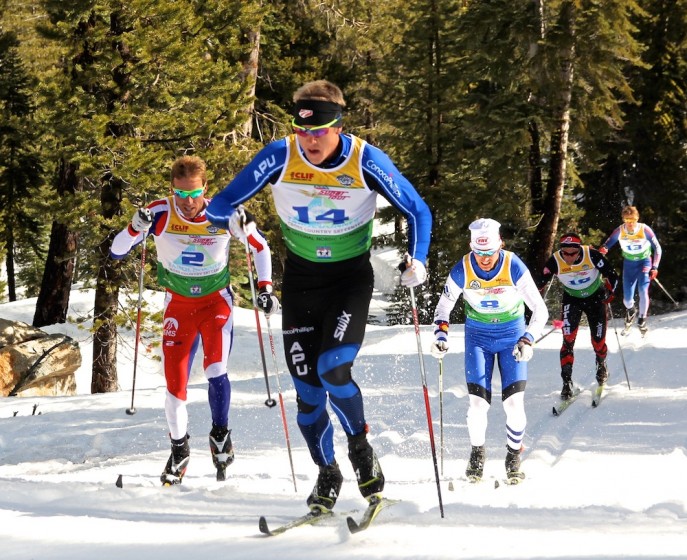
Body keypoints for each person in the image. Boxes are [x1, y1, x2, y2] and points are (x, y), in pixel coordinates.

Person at [206, 80, 432, 511]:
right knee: (307, 394)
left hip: (349, 280)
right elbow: (220, 205)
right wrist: (233, 223)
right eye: (301, 130)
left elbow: (417, 209)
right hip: (302, 283)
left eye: (318, 131)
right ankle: (327, 473)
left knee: (332, 368)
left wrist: (418, 259)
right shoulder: (280, 156)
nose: (309, 140)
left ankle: (361, 449)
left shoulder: (366, 160)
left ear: (338, 126)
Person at [110, 155, 277, 485]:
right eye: (180, 195)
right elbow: (116, 251)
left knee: (216, 369)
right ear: (172, 189)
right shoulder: (159, 212)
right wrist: (134, 228)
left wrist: (265, 288)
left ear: (205, 188)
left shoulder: (222, 214)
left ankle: (220, 434)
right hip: (178, 306)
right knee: (174, 387)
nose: (187, 203)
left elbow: (260, 247)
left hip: (216, 302)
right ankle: (179, 449)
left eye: (194, 194)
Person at [430, 218, 548, 484]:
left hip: (511, 336)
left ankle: (513, 455)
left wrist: (528, 339)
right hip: (478, 337)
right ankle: (477, 453)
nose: (484, 259)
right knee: (477, 404)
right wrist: (440, 334)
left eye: (489, 253)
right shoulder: (462, 268)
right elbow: (443, 307)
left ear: (500, 245)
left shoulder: (513, 265)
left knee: (514, 403)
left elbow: (540, 309)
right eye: (479, 253)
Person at [539, 233, 619, 399]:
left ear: (579, 250)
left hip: (596, 299)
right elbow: (540, 281)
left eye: (572, 253)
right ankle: (566, 382)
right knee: (568, 339)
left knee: (598, 341)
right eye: (565, 253)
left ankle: (601, 363)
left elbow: (612, 274)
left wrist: (612, 291)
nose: (568, 257)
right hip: (572, 299)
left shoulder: (592, 255)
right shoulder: (555, 260)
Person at [599, 206, 662, 335]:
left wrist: (655, 266)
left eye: (633, 219)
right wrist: (604, 249)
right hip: (629, 264)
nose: (630, 223)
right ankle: (631, 310)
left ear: (637, 218)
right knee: (627, 299)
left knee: (643, 289)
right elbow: (607, 245)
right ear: (623, 219)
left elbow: (658, 248)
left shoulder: (645, 229)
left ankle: (642, 319)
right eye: (627, 220)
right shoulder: (620, 231)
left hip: (645, 262)